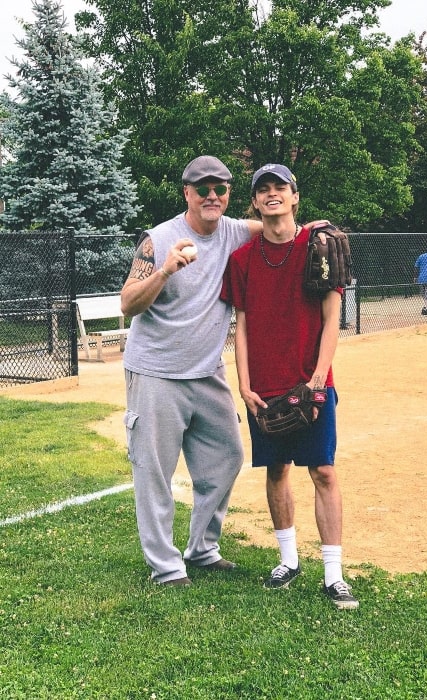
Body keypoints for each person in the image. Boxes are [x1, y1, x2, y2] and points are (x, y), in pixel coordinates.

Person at [121, 156, 326, 587]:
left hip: (206, 372)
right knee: (155, 471)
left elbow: (277, 226)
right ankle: (166, 566)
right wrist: (164, 271)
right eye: (202, 189)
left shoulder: (234, 231)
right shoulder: (158, 239)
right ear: (187, 193)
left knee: (228, 457)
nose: (212, 196)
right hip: (157, 372)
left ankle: (202, 548)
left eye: (220, 188)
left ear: (230, 194)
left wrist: (315, 230)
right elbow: (128, 303)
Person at [221, 164, 359, 609]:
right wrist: (244, 384)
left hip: (310, 380)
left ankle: (333, 574)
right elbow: (240, 325)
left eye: (280, 187)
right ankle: (287, 560)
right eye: (263, 190)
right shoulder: (242, 259)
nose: (272, 194)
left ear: (295, 197)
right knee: (277, 470)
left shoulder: (318, 246)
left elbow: (332, 316)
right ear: (256, 203)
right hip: (265, 386)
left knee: (323, 471)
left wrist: (318, 379)